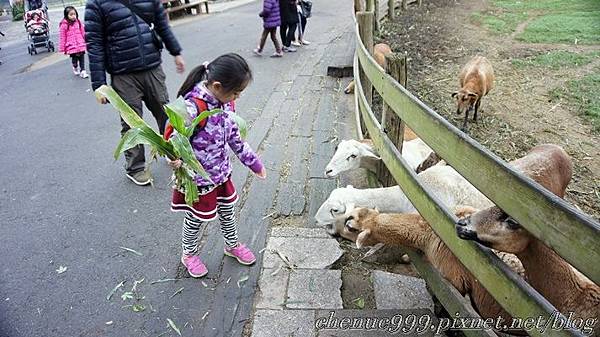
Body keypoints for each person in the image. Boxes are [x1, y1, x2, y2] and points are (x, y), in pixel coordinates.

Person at [167, 53, 266, 278]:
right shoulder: (192, 109)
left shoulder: (226, 104)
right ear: (217, 86)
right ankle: (189, 254)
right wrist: (173, 158)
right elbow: (172, 140)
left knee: (227, 212)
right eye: (236, 92)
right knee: (196, 218)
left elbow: (235, 138)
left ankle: (232, 245)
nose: (237, 97)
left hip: (221, 174)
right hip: (198, 180)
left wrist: (254, 163)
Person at [85, 0, 185, 186]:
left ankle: (172, 151)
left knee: (166, 113)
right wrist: (99, 84)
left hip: (152, 67)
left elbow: (162, 24)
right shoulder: (96, 4)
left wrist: (176, 52)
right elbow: (95, 44)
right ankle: (136, 167)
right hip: (123, 74)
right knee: (132, 123)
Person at [58, 6, 88, 78]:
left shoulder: (78, 22)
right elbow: (62, 36)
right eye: (71, 15)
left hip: (80, 44)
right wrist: (62, 47)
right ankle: (75, 66)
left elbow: (83, 32)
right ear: (66, 15)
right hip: (71, 46)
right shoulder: (64, 25)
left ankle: (83, 71)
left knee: (82, 57)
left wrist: (87, 40)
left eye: (74, 14)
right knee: (75, 59)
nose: (73, 16)